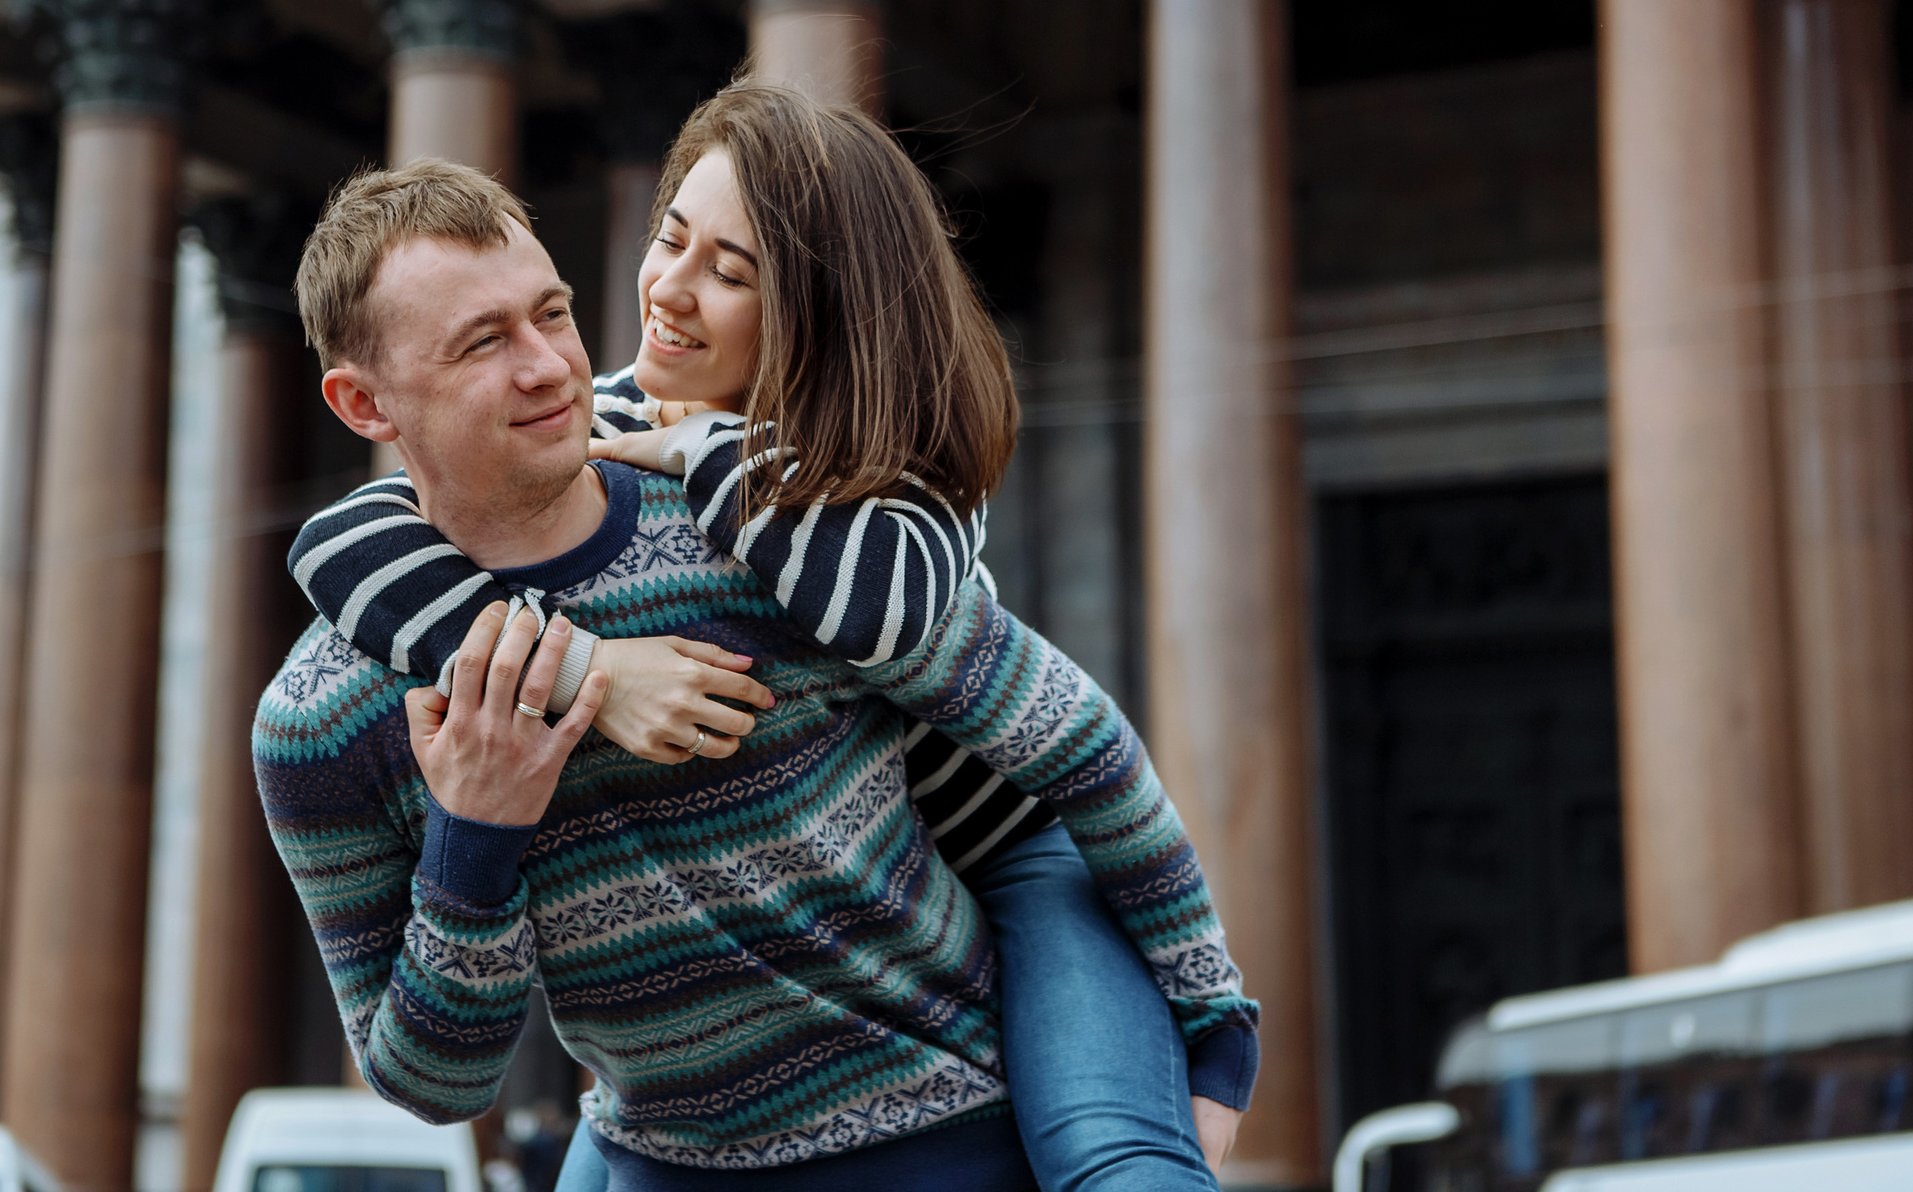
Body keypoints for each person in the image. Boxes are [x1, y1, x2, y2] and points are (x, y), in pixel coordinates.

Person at [284, 90, 1254, 1189]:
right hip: (660, 1140)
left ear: (816, 318)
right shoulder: (337, 697)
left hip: (1010, 913)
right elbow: (340, 534)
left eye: (552, 314)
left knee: (1124, 1166)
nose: (559, 360)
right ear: (364, 405)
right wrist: (534, 745)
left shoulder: (847, 515)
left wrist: (1213, 1014)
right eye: (669, 240)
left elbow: (1072, 738)